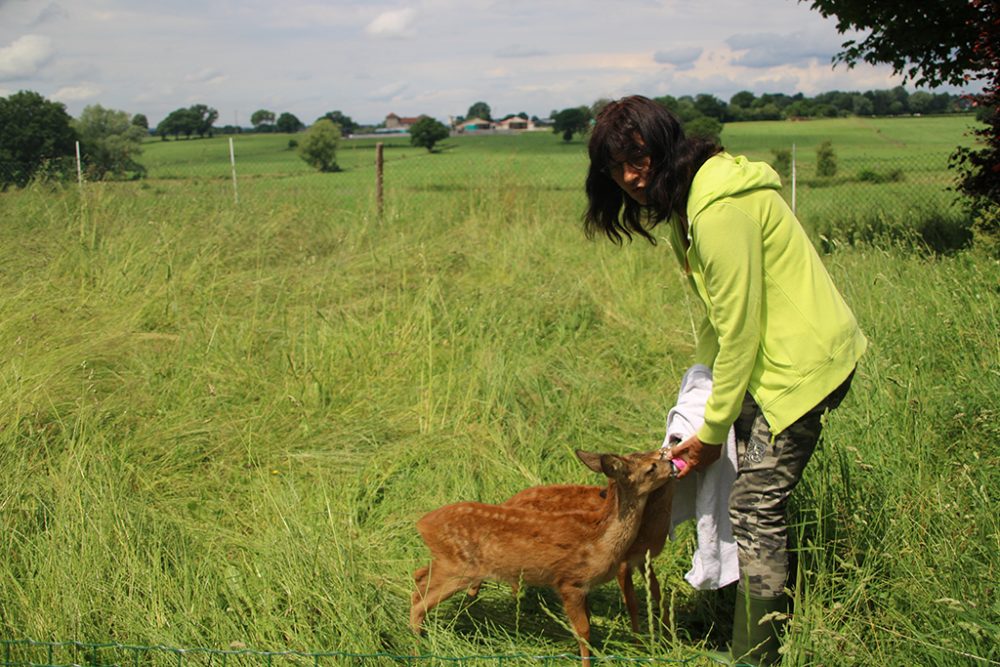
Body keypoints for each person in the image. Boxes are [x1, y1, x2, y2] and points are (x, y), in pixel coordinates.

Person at [583, 95, 866, 665]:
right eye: (616, 167)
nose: (630, 178)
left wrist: (712, 434)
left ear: (665, 145)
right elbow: (719, 326)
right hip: (772, 360)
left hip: (800, 368)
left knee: (756, 503)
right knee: (743, 491)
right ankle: (727, 613)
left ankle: (754, 652)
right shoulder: (689, 207)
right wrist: (701, 400)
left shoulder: (715, 210)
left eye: (638, 158)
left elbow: (740, 330)